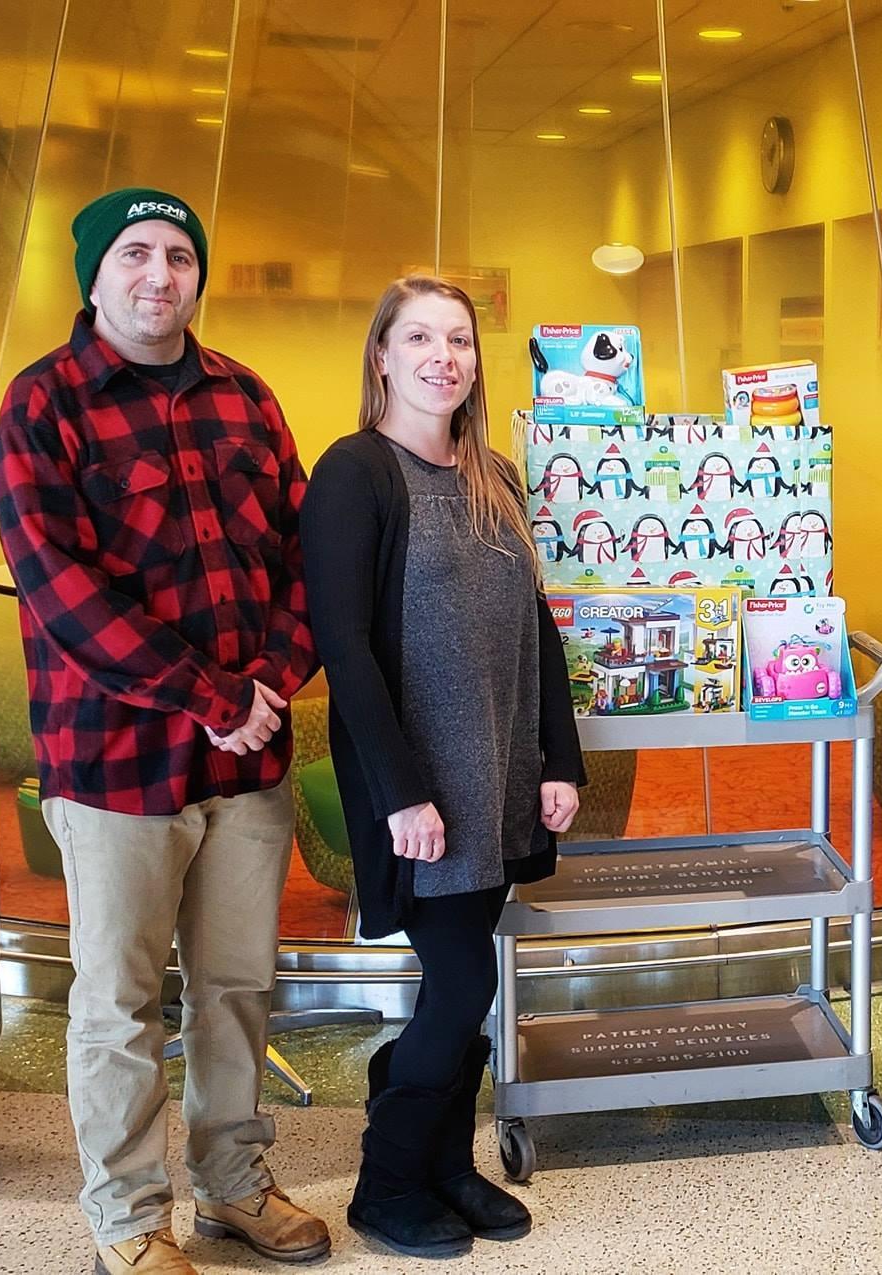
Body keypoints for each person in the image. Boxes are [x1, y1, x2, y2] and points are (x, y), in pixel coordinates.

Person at [0, 188, 327, 1274]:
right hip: (113, 767)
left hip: (250, 763)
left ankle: (233, 1186)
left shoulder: (247, 398)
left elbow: (302, 560)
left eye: (179, 256)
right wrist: (214, 697)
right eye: (135, 254)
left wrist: (270, 681)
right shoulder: (41, 405)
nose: (158, 276)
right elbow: (62, 593)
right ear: (92, 276)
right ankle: (130, 1219)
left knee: (235, 988)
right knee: (120, 1002)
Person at [301, 275, 585, 1258]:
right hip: (420, 789)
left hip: (499, 774)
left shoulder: (491, 473)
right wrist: (400, 794)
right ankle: (389, 1183)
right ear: (380, 354)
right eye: (418, 337)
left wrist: (558, 757)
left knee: (462, 980)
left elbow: (534, 630)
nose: (441, 357)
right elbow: (346, 646)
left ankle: (445, 1168)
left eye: (457, 339)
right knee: (462, 982)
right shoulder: (355, 472)